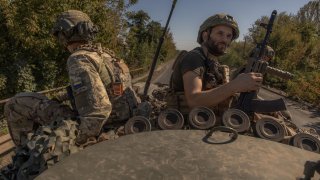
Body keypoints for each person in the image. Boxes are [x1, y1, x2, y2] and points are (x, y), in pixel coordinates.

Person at [4, 10, 142, 147]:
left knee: (16, 103)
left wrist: (78, 141)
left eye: (59, 34)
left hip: (103, 126)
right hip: (122, 119)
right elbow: (101, 87)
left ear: (66, 33)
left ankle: (26, 151)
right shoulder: (106, 55)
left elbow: (99, 111)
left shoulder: (78, 58)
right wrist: (60, 97)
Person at [168, 13, 263, 118]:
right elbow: (194, 101)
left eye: (228, 36)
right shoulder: (194, 58)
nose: (225, 40)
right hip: (186, 124)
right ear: (205, 36)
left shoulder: (214, 63)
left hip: (207, 120)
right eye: (220, 33)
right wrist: (235, 85)